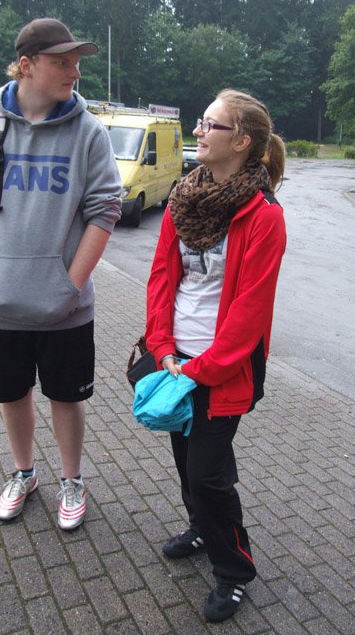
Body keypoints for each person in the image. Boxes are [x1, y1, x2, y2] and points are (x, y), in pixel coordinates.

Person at [0, 18, 122, 530]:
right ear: (26, 65)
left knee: (67, 396)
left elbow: (105, 208)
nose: (75, 72)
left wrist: (71, 284)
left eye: (77, 62)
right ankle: (24, 473)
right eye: (62, 62)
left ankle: (72, 480)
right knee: (11, 394)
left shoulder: (87, 132)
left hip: (65, 308)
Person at [145, 89, 286, 623]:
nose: (199, 131)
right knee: (187, 462)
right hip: (176, 357)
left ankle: (234, 571)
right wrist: (161, 347)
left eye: (211, 125)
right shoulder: (183, 198)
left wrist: (199, 369)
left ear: (242, 141)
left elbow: (251, 310)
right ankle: (203, 528)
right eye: (201, 122)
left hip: (223, 368)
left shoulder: (264, 215)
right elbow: (162, 276)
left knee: (208, 474)